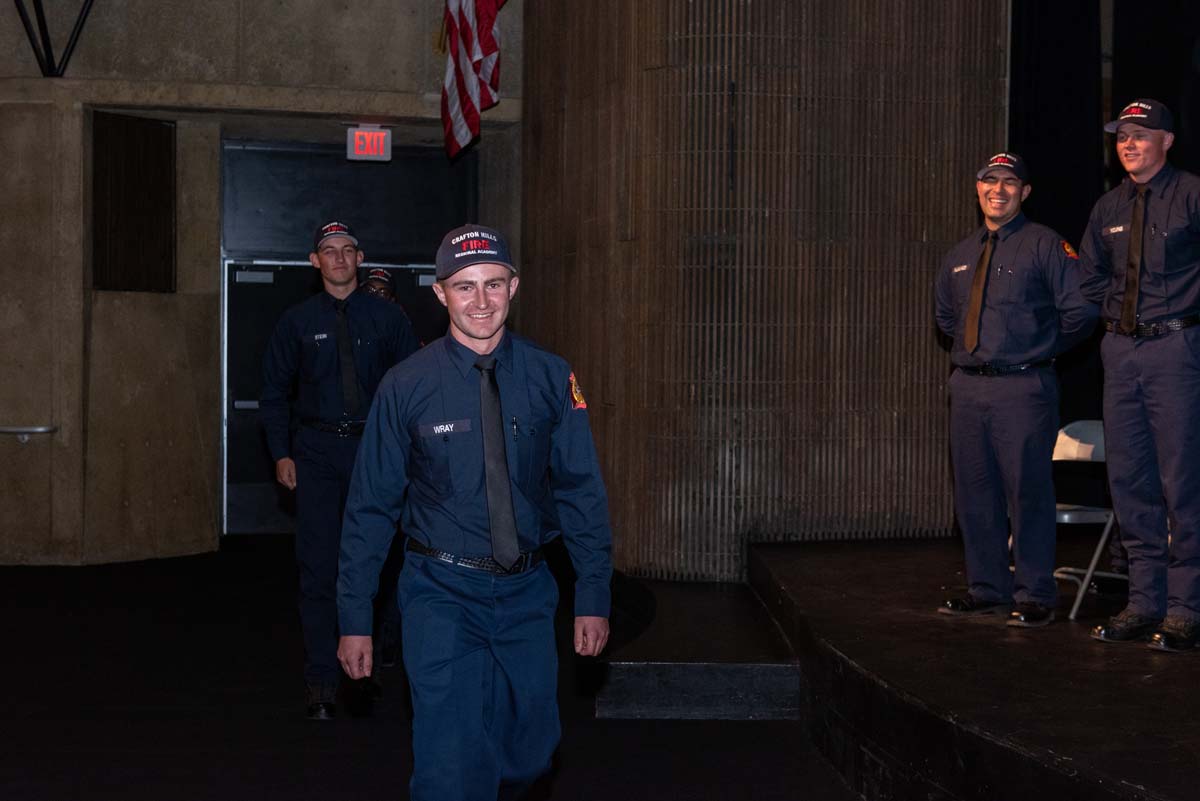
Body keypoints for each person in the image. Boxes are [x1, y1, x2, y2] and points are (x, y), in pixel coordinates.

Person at [336, 223, 613, 800]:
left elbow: (580, 490)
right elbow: (370, 508)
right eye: (465, 286)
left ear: (514, 286)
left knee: (533, 749)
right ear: (441, 293)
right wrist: (355, 615)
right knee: (451, 759)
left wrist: (592, 592)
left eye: (493, 284)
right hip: (440, 593)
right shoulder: (406, 386)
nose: (481, 301)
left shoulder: (551, 376)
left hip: (528, 594)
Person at [260, 221, 419, 718]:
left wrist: (413, 453)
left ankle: (375, 656)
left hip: (378, 450)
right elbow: (274, 393)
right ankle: (322, 682)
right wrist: (282, 453)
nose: (339, 258)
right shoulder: (296, 321)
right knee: (319, 565)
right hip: (317, 454)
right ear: (315, 261)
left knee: (384, 559)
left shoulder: (387, 318)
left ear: (360, 258)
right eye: (329, 251)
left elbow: (416, 389)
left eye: (347, 250)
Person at [935, 153, 1098, 628]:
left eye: (1010, 182)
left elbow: (1082, 311)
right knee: (974, 494)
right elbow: (945, 317)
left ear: (1024, 192)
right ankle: (987, 588)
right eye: (990, 181)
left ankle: (1035, 594)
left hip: (1023, 388)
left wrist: (1039, 349)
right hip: (968, 389)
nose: (998, 190)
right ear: (978, 189)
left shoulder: (1045, 245)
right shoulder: (960, 254)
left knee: (1027, 493)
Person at [1081, 99, 1200, 651]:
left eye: (1141, 134)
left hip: (1177, 349)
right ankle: (1144, 601)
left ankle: (1186, 607)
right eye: (1122, 135)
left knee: (1183, 481)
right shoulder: (1108, 206)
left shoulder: (1192, 194)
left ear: (1167, 141)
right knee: (1130, 482)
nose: (1128, 144)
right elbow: (1089, 278)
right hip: (1121, 351)